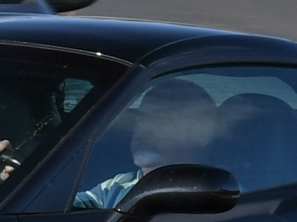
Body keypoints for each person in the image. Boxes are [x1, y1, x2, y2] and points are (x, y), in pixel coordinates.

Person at [71, 80, 224, 209]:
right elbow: (58, 212)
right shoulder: (116, 187)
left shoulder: (226, 199)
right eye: (141, 119)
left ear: (201, 132)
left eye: (161, 119)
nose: (143, 129)